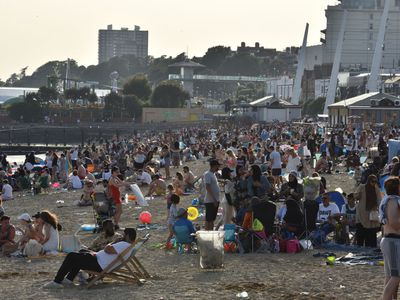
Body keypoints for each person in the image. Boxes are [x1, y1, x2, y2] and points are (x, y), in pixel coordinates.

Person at [43, 228, 137, 288]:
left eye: (124, 235)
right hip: (99, 261)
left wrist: (112, 242)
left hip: (99, 265)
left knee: (71, 255)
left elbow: (107, 250)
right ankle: (69, 279)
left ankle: (57, 281)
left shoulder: (124, 245)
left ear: (127, 236)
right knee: (81, 253)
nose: (122, 236)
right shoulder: (128, 246)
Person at [379, 177, 400, 300]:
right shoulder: (392, 201)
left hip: (390, 240)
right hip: (393, 241)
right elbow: (394, 223)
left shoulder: (387, 200)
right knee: (396, 276)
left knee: (390, 276)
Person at [354, 174, 382, 247]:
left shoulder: (376, 189)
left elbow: (379, 200)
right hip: (362, 214)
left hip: (372, 215)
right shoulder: (362, 187)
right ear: (368, 181)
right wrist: (358, 194)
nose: (374, 183)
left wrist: (379, 209)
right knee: (361, 234)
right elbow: (355, 196)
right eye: (372, 181)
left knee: (371, 233)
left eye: (375, 181)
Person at [204, 160, 221, 231]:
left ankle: (211, 232)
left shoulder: (213, 174)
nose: (218, 167)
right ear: (214, 166)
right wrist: (214, 199)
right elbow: (207, 187)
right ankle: (208, 233)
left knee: (212, 219)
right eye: (217, 166)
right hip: (210, 201)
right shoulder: (208, 174)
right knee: (209, 219)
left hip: (215, 200)